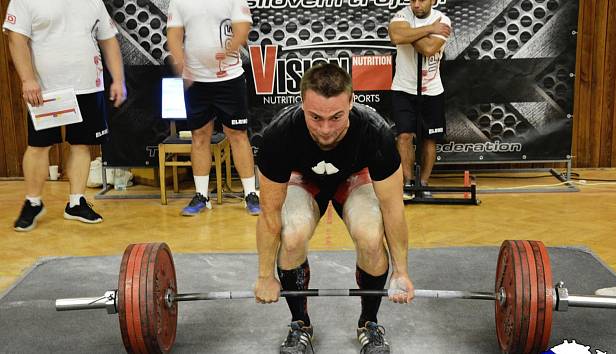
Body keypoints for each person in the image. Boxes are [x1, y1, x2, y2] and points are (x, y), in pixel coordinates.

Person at [254, 64, 415, 354]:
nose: (325, 129)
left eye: (336, 117)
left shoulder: (375, 132)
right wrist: (266, 275)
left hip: (353, 180)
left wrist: (401, 272)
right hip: (304, 181)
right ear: (302, 103)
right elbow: (269, 213)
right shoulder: (279, 135)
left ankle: (369, 323)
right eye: (315, 117)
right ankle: (300, 325)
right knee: (292, 236)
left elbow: (393, 209)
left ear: (351, 103)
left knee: (370, 235)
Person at [4, 0, 126, 232]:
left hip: (88, 85)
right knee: (39, 145)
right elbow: (16, 38)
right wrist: (28, 79)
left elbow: (108, 39)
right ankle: (33, 202)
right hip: (46, 89)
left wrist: (118, 79)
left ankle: (76, 202)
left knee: (81, 145)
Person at [166, 0, 260, 216]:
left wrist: (229, 50)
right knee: (199, 135)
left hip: (230, 79)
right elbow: (173, 34)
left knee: (237, 134)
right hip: (195, 81)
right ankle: (201, 196)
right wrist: (180, 62)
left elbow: (243, 28)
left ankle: (250, 194)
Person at [388, 0, 452, 199]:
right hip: (403, 89)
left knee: (429, 138)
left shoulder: (442, 20)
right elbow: (396, 36)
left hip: (432, 90)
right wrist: (429, 29)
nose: (416, 4)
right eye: (412, 0)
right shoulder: (401, 16)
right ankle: (408, 184)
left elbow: (429, 49)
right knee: (404, 136)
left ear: (433, 1)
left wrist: (410, 34)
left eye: (422, 0)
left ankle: (423, 183)